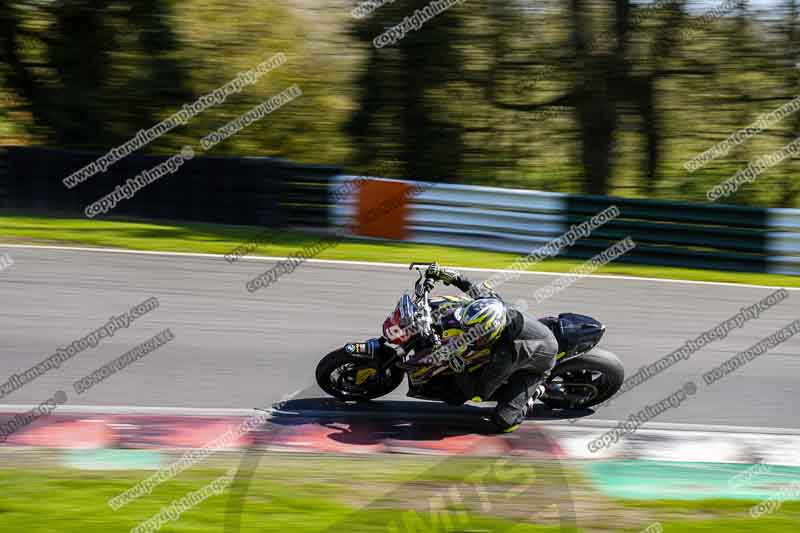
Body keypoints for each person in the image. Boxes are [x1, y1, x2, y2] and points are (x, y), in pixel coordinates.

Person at [424, 263, 558, 433]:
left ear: (491, 332)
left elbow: (479, 393)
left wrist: (459, 367)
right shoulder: (493, 305)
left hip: (535, 365)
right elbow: (473, 288)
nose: (469, 335)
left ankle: (535, 392)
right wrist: (450, 275)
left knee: (504, 421)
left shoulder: (506, 355)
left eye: (475, 334)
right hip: (534, 336)